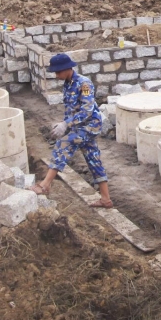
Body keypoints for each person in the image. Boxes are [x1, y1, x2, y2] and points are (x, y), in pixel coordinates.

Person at [29, 53, 111, 207]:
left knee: (63, 144)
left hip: (90, 126)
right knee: (93, 159)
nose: (56, 75)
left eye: (58, 72)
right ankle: (106, 199)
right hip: (79, 126)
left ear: (68, 69)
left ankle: (45, 184)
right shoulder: (67, 84)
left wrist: (66, 124)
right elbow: (71, 109)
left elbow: (87, 110)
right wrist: (64, 125)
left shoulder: (84, 84)